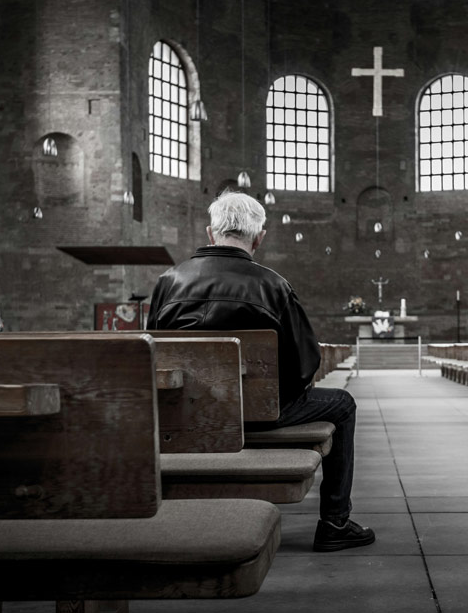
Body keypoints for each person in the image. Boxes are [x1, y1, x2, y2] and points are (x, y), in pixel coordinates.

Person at [146, 190, 375, 552]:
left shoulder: (168, 282)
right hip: (264, 415)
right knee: (343, 403)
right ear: (259, 237)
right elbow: (306, 364)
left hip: (190, 415)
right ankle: (335, 522)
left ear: (210, 232)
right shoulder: (274, 285)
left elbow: (155, 355)